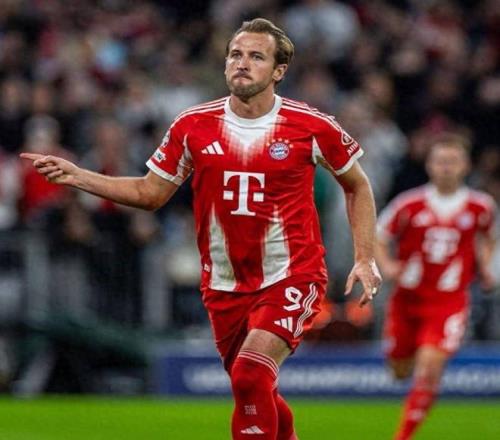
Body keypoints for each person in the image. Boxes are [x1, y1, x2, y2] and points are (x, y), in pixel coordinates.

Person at [21, 18, 382, 440]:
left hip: (291, 274)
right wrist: (78, 176)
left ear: (278, 71)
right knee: (255, 387)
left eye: (256, 56)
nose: (242, 63)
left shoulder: (311, 125)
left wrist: (364, 257)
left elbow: (358, 185)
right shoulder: (193, 125)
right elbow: (150, 193)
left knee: (250, 373)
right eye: (235, 54)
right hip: (224, 285)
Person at [376, 133, 497, 440]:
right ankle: (413, 362)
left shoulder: (481, 206)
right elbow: (379, 235)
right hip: (406, 298)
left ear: (465, 165)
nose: (446, 167)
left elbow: (489, 238)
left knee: (430, 366)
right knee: (399, 370)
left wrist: (486, 266)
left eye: (452, 161)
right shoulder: (409, 203)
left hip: (448, 300)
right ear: (429, 165)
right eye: (441, 161)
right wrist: (387, 265)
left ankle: (402, 436)